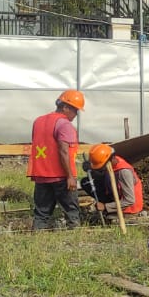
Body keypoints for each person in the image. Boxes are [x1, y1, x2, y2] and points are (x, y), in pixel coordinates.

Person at [28, 89, 85, 230]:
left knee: (41, 214)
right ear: (65, 107)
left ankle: (37, 240)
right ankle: (75, 239)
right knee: (72, 212)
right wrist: (70, 176)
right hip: (61, 176)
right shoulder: (64, 124)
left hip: (41, 175)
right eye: (75, 110)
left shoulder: (38, 121)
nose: (75, 115)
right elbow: (63, 151)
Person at [80, 143, 145, 222]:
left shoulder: (124, 173)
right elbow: (102, 175)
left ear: (110, 160)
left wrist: (105, 206)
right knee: (86, 182)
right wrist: (91, 168)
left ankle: (108, 210)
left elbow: (130, 201)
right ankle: (108, 208)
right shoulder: (112, 162)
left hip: (129, 208)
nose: (101, 169)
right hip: (116, 196)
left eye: (101, 167)